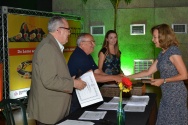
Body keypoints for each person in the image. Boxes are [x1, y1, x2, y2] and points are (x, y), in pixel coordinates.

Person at [27, 16, 86, 125]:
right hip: (49, 112)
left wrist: (69, 79)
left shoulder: (52, 45)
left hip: (53, 109)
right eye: (68, 30)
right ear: (59, 30)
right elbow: (49, 80)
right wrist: (73, 83)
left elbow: (54, 74)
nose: (69, 33)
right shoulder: (48, 47)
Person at [127, 24, 188, 125]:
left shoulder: (173, 51)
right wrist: (127, 77)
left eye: (155, 37)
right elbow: (148, 71)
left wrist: (163, 80)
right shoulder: (162, 53)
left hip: (176, 95)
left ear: (163, 37)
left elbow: (184, 75)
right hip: (167, 94)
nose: (152, 40)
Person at [68, 33, 124, 113]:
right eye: (91, 42)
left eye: (93, 42)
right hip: (77, 96)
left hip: (85, 94)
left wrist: (116, 76)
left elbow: (97, 71)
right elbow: (92, 77)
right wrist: (114, 78)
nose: (94, 44)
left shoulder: (86, 55)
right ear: (82, 44)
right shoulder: (79, 56)